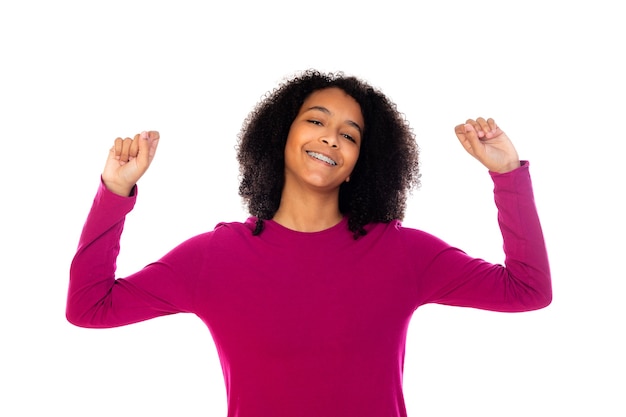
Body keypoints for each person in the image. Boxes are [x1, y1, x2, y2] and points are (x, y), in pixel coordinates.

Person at [67, 70, 552, 417]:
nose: (331, 138)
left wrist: (507, 175)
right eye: (316, 121)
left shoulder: (402, 254)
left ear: (365, 159)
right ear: (281, 134)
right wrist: (114, 193)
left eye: (350, 134)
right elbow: (89, 306)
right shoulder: (215, 259)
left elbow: (528, 290)